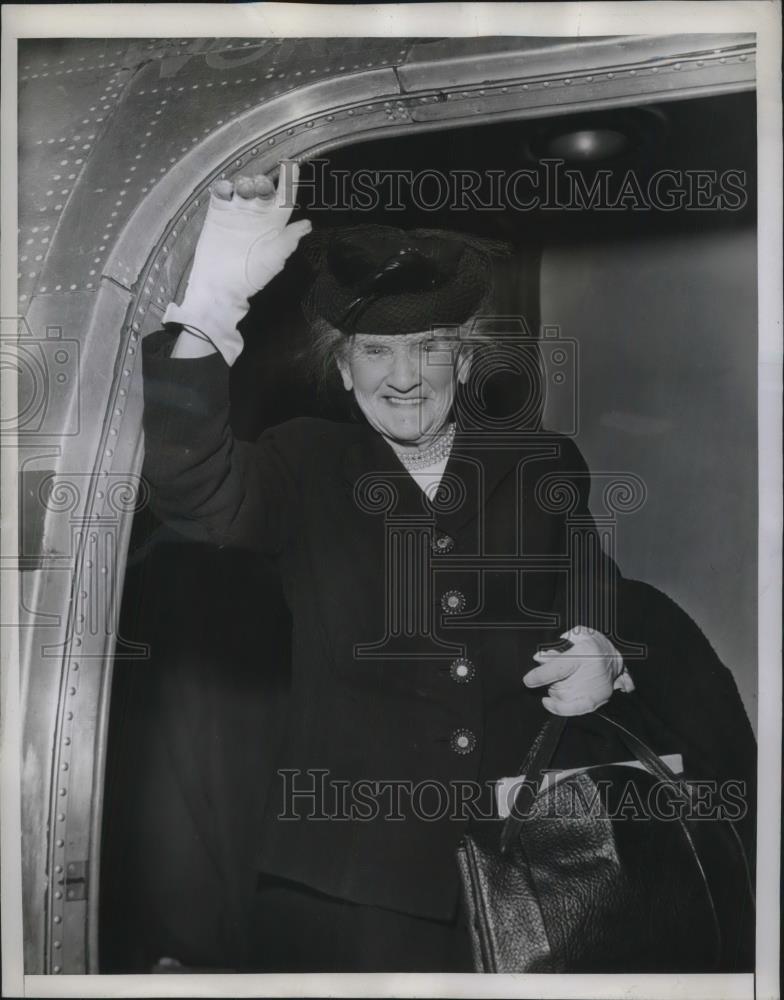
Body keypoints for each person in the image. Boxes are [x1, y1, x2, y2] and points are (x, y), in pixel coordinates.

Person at [140, 164, 755, 972]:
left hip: (527, 867)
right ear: (343, 366)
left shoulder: (541, 464)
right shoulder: (302, 464)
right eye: (377, 350)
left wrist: (609, 653)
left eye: (430, 347)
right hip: (348, 886)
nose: (403, 376)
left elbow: (596, 589)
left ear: (464, 362)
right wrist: (212, 305)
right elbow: (190, 485)